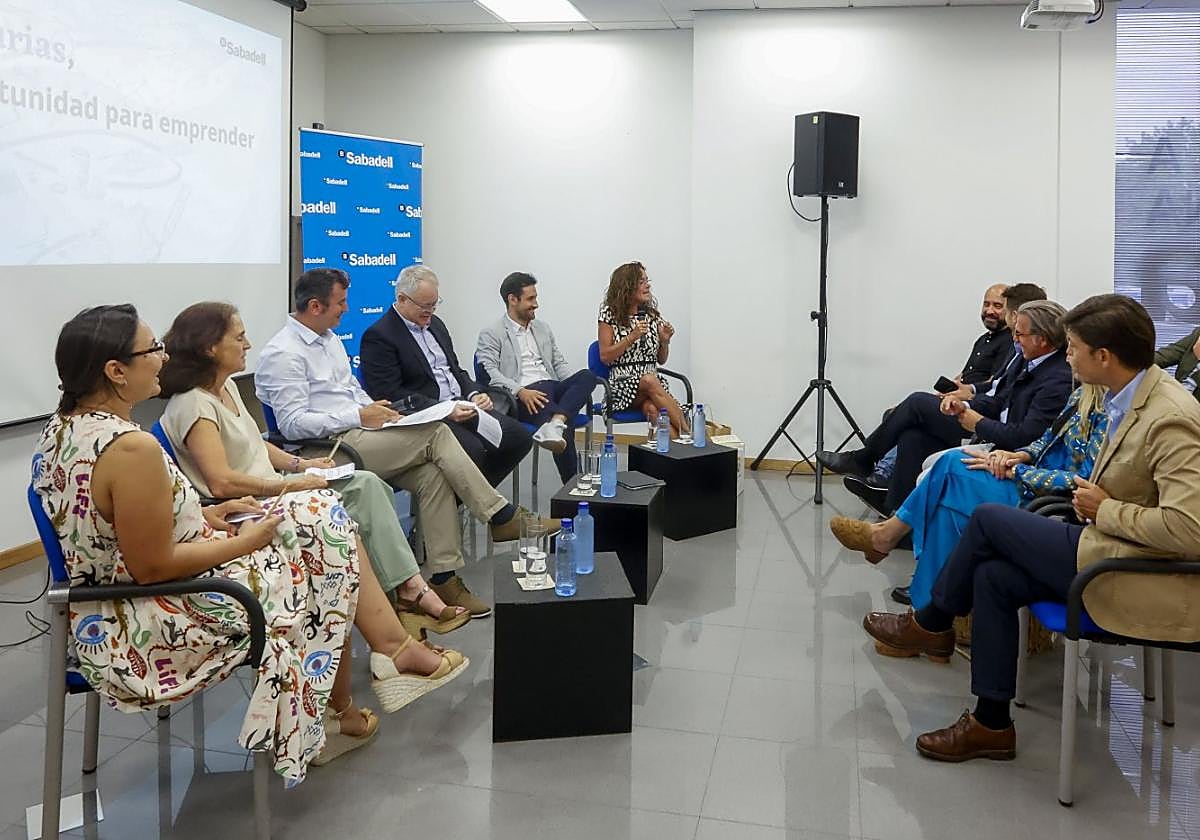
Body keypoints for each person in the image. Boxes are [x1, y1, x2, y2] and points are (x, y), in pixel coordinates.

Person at [35, 305, 468, 784]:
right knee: (321, 565)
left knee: (321, 522)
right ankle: (340, 706)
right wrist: (248, 542)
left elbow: (113, 525)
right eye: (151, 349)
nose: (163, 357)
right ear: (116, 371)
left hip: (126, 595)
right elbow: (153, 568)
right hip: (151, 614)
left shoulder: (65, 429)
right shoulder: (130, 447)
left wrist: (204, 515)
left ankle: (355, 692)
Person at [861, 294, 1200, 762]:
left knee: (988, 519)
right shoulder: (1121, 396)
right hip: (1102, 543)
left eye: (1073, 348)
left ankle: (931, 622)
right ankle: (991, 724)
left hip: (1132, 568)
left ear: (1104, 356)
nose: (1067, 356)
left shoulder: (1171, 417)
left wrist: (1105, 510)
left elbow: (1189, 530)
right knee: (993, 577)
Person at [255, 268, 560, 619]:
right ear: (314, 306)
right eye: (340, 303)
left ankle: (444, 578)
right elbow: (292, 426)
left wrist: (379, 412)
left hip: (359, 433)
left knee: (433, 474)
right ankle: (500, 515)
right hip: (327, 449)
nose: (346, 309)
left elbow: (352, 391)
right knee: (437, 434)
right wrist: (359, 415)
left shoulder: (329, 339)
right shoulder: (284, 353)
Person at [159, 302, 470, 642]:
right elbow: (221, 483)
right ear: (210, 348)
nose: (248, 344)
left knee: (367, 484)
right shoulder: (193, 404)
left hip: (275, 486)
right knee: (364, 492)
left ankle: (407, 593)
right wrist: (291, 486)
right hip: (249, 506)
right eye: (239, 337)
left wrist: (302, 465)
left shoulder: (226, 388)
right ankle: (408, 597)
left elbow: (255, 444)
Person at [830, 384, 1108, 610]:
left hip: (1044, 500)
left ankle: (890, 540)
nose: (1068, 354)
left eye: (1074, 347)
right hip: (1025, 477)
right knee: (947, 485)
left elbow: (1083, 480)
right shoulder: (1083, 394)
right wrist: (1019, 455)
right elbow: (1045, 440)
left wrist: (1019, 470)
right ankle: (924, 614)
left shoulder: (1109, 411)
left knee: (951, 468)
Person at [819, 300, 1073, 517]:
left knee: (917, 402)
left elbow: (1025, 437)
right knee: (913, 436)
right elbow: (998, 400)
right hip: (990, 430)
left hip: (1007, 451)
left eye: (1019, 334)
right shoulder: (1027, 360)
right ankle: (897, 515)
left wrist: (978, 423)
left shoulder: (1057, 379)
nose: (1014, 339)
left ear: (1042, 339)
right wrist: (963, 404)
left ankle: (865, 459)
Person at [847, 283, 1022, 511]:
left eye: (997, 306)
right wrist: (954, 391)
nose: (990, 310)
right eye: (986, 304)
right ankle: (894, 506)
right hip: (968, 403)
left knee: (915, 403)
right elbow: (971, 378)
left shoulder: (1011, 344)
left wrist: (966, 394)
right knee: (909, 431)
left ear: (1011, 313)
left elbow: (994, 388)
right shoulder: (983, 340)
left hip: (979, 416)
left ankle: (869, 464)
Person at [360, 265, 532, 488]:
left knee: (518, 438)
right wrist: (444, 409)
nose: (430, 311)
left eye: (434, 304)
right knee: (473, 450)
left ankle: (468, 500)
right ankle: (473, 501)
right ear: (402, 299)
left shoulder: (436, 325)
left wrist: (474, 393)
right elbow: (390, 394)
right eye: (425, 306)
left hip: (462, 406)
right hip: (426, 417)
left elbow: (456, 371)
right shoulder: (379, 336)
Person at [476, 271, 597, 484]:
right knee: (565, 429)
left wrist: (571, 390)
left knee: (587, 376)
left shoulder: (542, 328)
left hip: (552, 388)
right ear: (512, 300)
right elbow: (490, 374)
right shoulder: (492, 333)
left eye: (536, 298)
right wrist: (520, 391)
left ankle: (556, 422)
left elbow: (558, 363)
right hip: (524, 396)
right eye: (530, 299)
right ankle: (572, 488)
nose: (536, 304)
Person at [597, 261, 688, 437]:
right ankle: (690, 432)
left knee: (653, 409)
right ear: (627, 287)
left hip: (652, 387)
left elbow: (661, 360)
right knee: (649, 380)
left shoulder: (652, 316)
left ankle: (680, 449)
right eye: (641, 282)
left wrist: (664, 342)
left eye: (647, 280)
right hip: (621, 386)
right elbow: (605, 356)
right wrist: (632, 336)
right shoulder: (609, 315)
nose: (648, 285)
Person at [1153, 325, 1200, 400]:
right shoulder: (1198, 334)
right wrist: (1138, 363)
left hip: (1192, 402)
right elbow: (1166, 354)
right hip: (1176, 396)